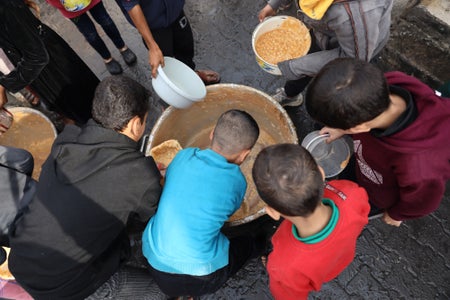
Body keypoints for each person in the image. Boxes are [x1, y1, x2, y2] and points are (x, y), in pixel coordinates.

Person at [8, 75, 165, 299]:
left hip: (22, 255)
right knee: (158, 290)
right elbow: (151, 215)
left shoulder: (66, 140)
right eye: (145, 118)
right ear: (134, 124)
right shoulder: (140, 175)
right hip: (58, 286)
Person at [305, 58, 450, 226]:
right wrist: (342, 128)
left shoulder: (418, 166)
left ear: (359, 128)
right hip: (365, 163)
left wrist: (397, 214)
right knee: (348, 179)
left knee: (355, 213)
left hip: (379, 193)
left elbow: (423, 201)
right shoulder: (380, 89)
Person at [143, 109, 260, 297]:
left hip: (153, 257)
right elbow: (230, 212)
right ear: (244, 155)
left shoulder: (184, 156)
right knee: (248, 243)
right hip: (200, 276)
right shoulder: (236, 181)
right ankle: (261, 246)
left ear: (212, 133)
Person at [252, 143, 369, 299]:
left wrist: (273, 267)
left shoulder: (283, 267)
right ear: (321, 173)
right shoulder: (352, 193)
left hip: (303, 272)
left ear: (273, 212)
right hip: (340, 258)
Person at [258, 0, 393, 107]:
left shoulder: (355, 14)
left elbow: (354, 60)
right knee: (303, 66)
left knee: (332, 88)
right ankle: (289, 96)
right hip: (323, 33)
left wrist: (294, 66)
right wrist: (274, 4)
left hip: (355, 51)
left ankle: (324, 124)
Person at [0, 0, 99, 125]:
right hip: (37, 70)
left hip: (53, 68)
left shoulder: (6, 6)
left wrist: (3, 86)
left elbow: (37, 57)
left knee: (90, 109)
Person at [115, 0, 220, 84]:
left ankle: (193, 78)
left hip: (175, 11)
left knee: (186, 49)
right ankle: (171, 98)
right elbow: (132, 5)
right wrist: (152, 46)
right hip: (154, 24)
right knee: (165, 65)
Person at [46, 0, 137, 75]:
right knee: (90, 34)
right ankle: (107, 58)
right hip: (69, 7)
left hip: (93, 1)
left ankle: (122, 47)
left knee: (106, 21)